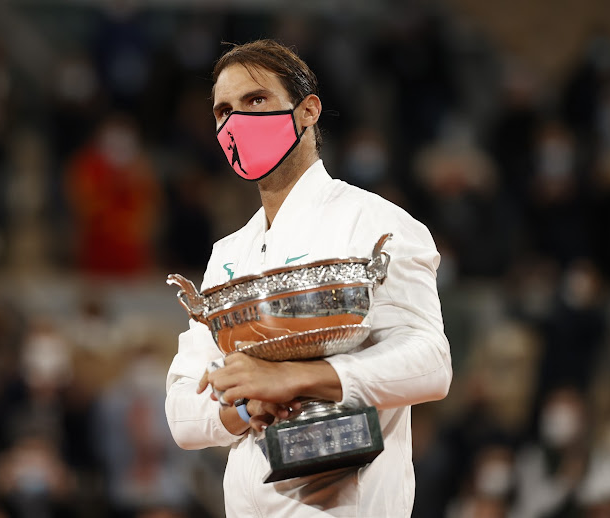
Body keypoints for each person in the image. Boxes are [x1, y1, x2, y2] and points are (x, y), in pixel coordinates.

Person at [164, 39, 452, 517]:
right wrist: (242, 410)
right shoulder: (227, 253)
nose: (236, 121)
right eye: (223, 111)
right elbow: (181, 414)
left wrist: (291, 378)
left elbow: (429, 365)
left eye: (256, 100)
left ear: (307, 111)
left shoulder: (375, 222)